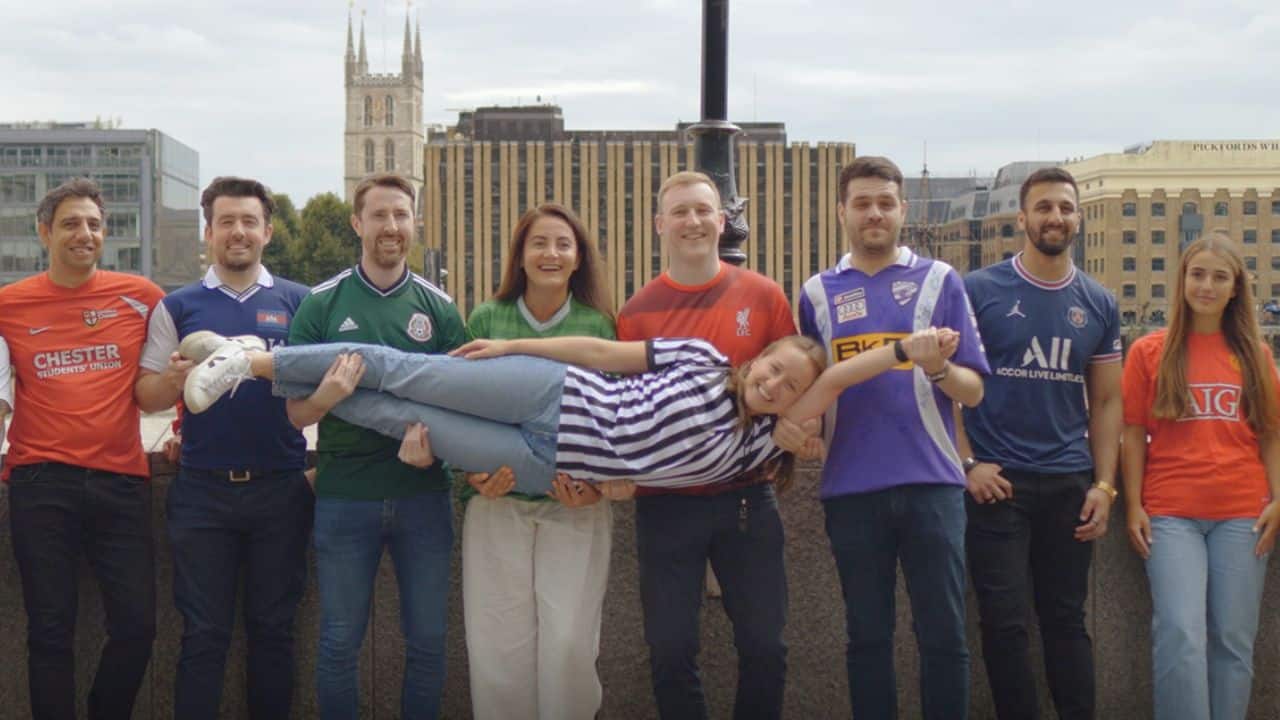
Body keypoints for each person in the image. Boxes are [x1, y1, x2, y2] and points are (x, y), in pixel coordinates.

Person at [183, 323, 959, 492]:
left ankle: (272, 372)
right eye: (775, 371)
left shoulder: (759, 454)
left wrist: (606, 493)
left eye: (792, 388)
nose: (776, 387)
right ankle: (251, 360)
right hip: (553, 390)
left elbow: (653, 481)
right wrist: (515, 345)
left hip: (548, 462)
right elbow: (599, 353)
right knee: (407, 372)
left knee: (395, 417)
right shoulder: (701, 358)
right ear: (757, 360)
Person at [798, 156, 988, 720]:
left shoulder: (939, 280)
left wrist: (936, 369)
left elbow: (974, 390)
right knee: (866, 638)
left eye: (885, 202)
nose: (874, 213)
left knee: (945, 635)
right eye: (862, 203)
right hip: (851, 487)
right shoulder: (815, 294)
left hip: (933, 483)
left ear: (903, 210)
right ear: (842, 212)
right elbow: (811, 388)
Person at [616, 170, 802, 720]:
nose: (693, 222)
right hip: (665, 501)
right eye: (680, 212)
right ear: (660, 225)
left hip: (747, 496)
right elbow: (627, 408)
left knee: (766, 647)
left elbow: (796, 383)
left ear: (723, 221)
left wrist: (793, 432)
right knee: (670, 651)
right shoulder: (636, 312)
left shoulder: (764, 297)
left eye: (704, 211)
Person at [281, 173, 466, 720]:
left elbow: (462, 401)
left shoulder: (439, 308)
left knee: (429, 643)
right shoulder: (321, 304)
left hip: (423, 495)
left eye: (401, 216)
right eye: (379, 215)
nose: (391, 226)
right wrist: (326, 396)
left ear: (415, 223)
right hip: (344, 498)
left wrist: (436, 449)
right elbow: (294, 415)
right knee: (339, 642)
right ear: (357, 224)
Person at [134, 176, 313, 720]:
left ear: (268, 231)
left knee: (275, 632)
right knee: (203, 635)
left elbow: (316, 391)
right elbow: (146, 396)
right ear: (209, 233)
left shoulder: (300, 303)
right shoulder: (178, 306)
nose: (239, 232)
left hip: (281, 488)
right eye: (227, 222)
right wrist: (175, 379)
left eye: (250, 222)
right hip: (201, 492)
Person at [957, 166, 1122, 720]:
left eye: (1066, 208)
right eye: (1044, 207)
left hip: (1069, 483)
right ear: (1022, 218)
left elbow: (1106, 403)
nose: (1056, 217)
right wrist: (967, 463)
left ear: (1079, 217)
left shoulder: (1099, 302)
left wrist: (1104, 484)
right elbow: (940, 388)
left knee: (1066, 620)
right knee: (1003, 623)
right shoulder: (977, 291)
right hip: (996, 482)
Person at [0, 178, 165, 720]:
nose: (85, 233)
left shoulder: (141, 296)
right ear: (45, 233)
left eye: (94, 223)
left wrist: (185, 423)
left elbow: (183, 364)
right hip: (40, 483)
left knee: (138, 625)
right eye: (71, 223)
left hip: (121, 481)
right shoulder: (9, 305)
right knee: (49, 630)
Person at [457, 203, 618, 720]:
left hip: (573, 507)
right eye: (539, 244)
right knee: (497, 649)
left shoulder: (600, 325)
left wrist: (599, 486)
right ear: (520, 257)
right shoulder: (485, 318)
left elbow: (616, 417)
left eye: (563, 245)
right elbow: (461, 406)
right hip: (499, 504)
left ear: (578, 259)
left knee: (570, 642)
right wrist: (472, 475)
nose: (551, 254)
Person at [1122, 231, 1280, 720]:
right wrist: (1132, 506)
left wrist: (1278, 499)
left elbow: (1271, 435)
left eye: (1219, 276)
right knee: (1180, 633)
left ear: (1236, 288)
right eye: (1197, 274)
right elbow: (1131, 434)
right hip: (1171, 515)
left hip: (1243, 514)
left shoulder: (1257, 355)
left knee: (1233, 640)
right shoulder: (1149, 352)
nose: (1206, 285)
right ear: (1182, 280)